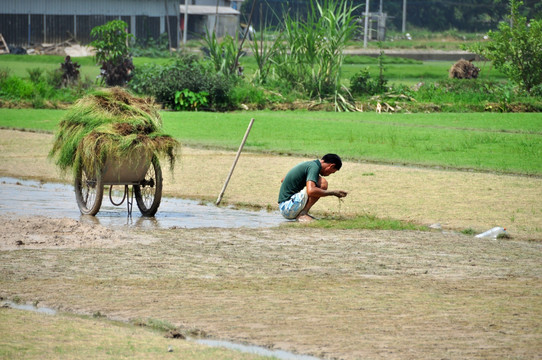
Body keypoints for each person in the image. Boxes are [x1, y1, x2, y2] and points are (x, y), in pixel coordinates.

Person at [278, 154, 348, 222]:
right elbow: (311, 191)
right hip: (288, 207)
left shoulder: (308, 164)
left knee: (314, 183)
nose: (329, 174)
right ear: (331, 166)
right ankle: (303, 214)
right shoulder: (314, 167)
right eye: (331, 172)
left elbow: (283, 180)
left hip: (283, 207)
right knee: (323, 183)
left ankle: (302, 213)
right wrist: (333, 193)